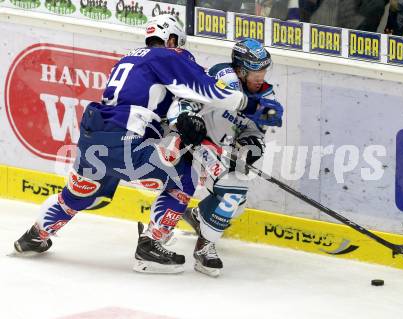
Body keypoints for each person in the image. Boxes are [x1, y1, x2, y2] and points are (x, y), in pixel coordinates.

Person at [13, 14, 256, 275]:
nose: (180, 51)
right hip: (126, 138)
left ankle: (34, 236)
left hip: (94, 134)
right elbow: (205, 88)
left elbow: (150, 102)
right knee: (183, 180)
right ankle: (149, 247)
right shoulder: (167, 55)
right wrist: (245, 103)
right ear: (171, 39)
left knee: (79, 193)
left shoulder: (129, 58)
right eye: (178, 44)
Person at [148, 38, 283, 277]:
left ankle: (203, 236)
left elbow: (253, 131)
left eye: (263, 69)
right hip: (189, 139)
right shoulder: (223, 78)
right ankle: (155, 235)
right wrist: (185, 120)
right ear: (240, 69)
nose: (260, 76)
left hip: (217, 149)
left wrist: (250, 146)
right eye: (255, 71)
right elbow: (186, 101)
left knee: (236, 200)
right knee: (179, 187)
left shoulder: (267, 95)